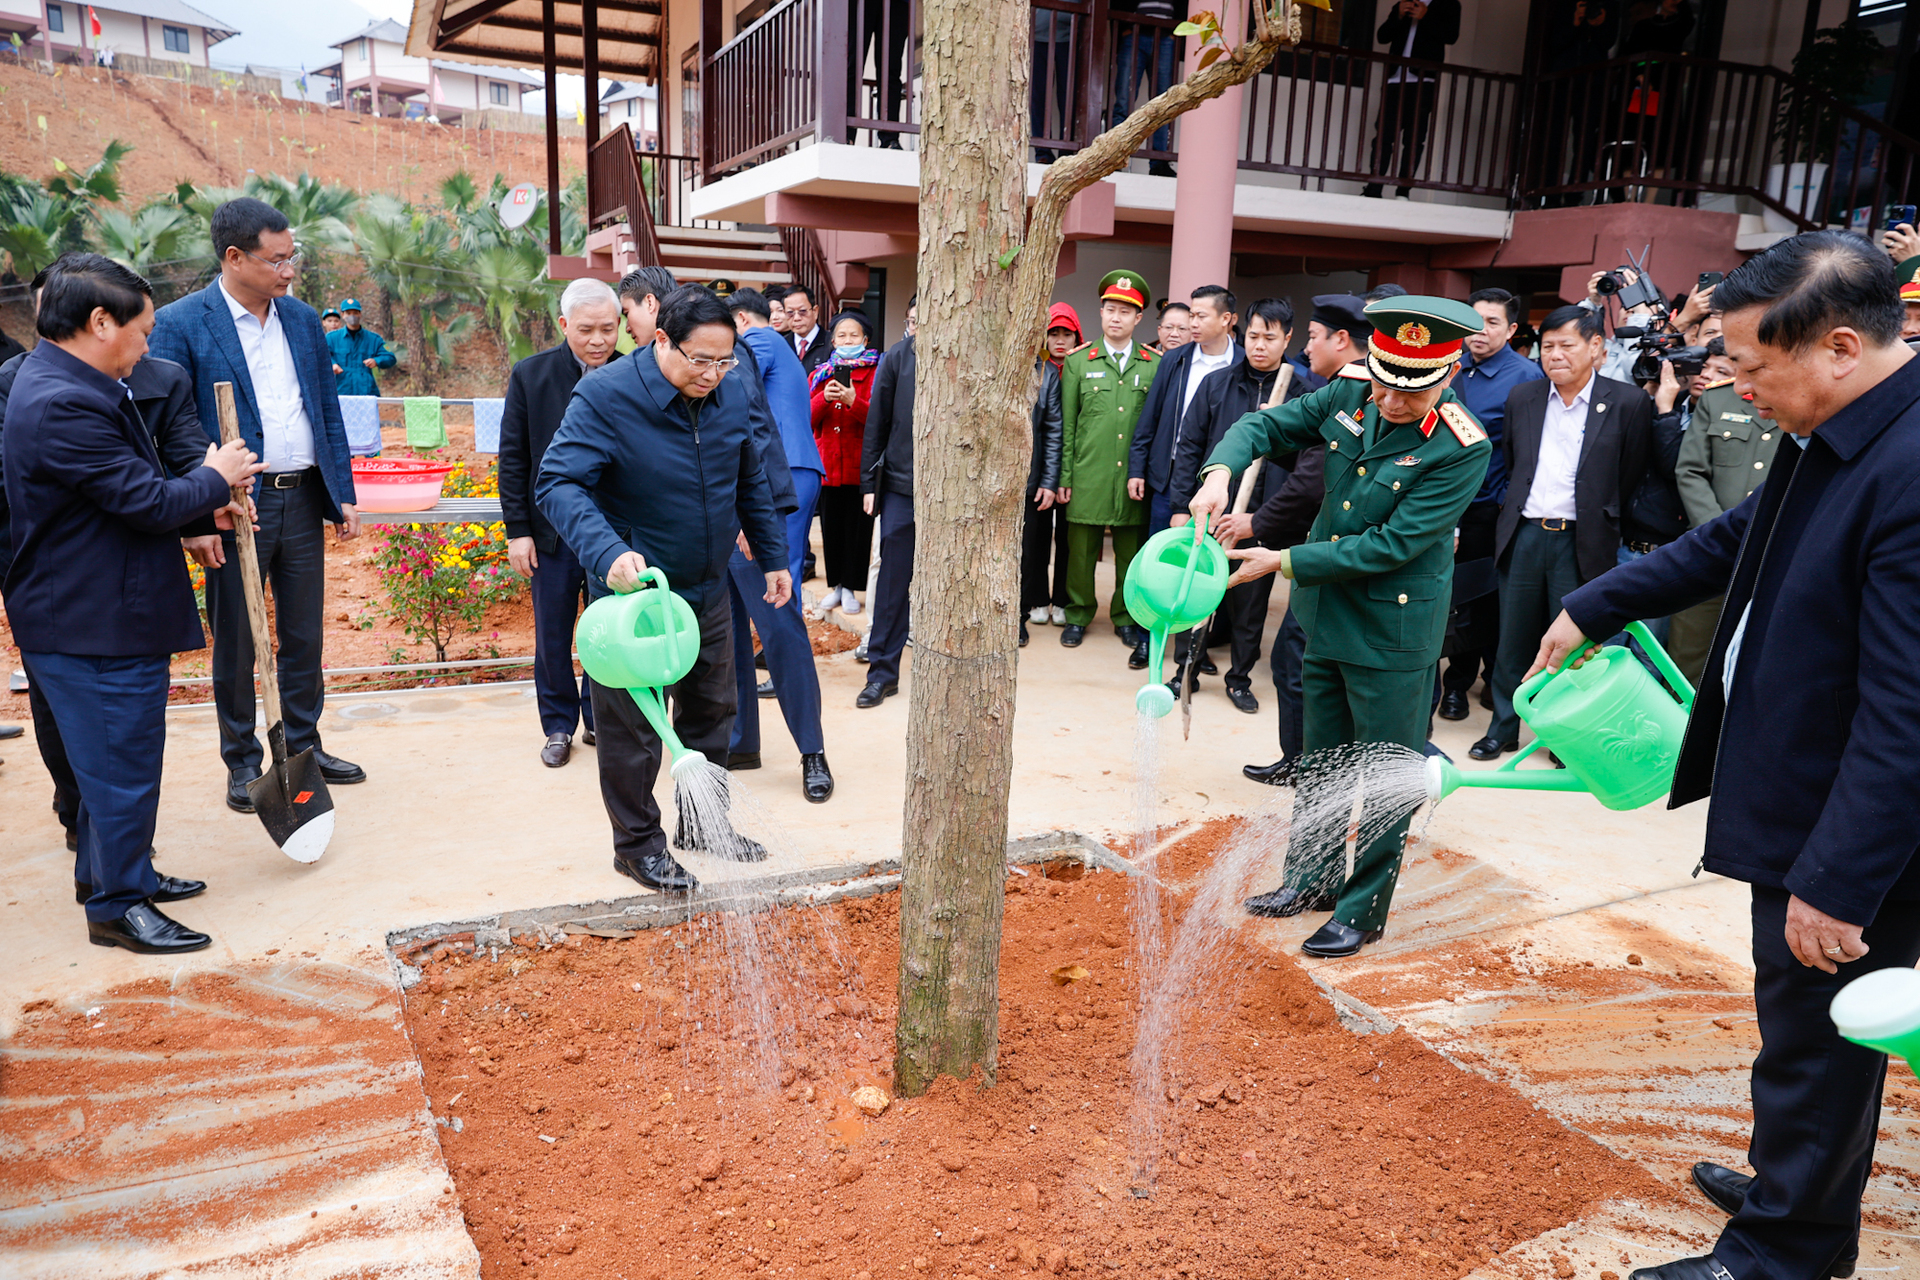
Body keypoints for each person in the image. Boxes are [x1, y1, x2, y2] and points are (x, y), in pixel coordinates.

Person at [1524, 231, 1920, 1280]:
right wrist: (1593, 603)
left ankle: (1783, 1253)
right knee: (1810, 1029)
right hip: (1801, 783)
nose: (1738, 391)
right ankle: (1803, 1187)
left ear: (1838, 345)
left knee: (1817, 1025)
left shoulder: (1912, 467)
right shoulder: (1832, 426)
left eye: (1751, 367)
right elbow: (1730, 539)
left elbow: (1907, 712)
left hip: (1850, 820)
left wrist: (1837, 879)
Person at [1190, 295, 1491, 958]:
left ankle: (1362, 909)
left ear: (1445, 379)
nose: (1388, 402)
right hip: (1324, 615)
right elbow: (1262, 430)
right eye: (1383, 382)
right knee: (1322, 761)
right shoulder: (1349, 392)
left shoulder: (1463, 446)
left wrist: (1285, 559)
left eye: (1409, 394)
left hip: (1393, 631)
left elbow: (1391, 545)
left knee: (1384, 772)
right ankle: (1311, 880)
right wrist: (1219, 474)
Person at [3, 253, 264, 953]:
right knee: (120, 767)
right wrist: (216, 477)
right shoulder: (65, 401)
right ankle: (119, 907)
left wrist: (202, 503)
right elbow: (145, 499)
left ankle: (115, 875)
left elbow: (118, 498)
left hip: (95, 606)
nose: (148, 346)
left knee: (109, 767)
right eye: (142, 331)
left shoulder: (70, 381)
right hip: (92, 619)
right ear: (98, 322)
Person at [535, 288, 790, 895]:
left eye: (724, 360)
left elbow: (748, 474)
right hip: (637, 599)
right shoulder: (607, 395)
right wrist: (607, 553)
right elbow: (558, 482)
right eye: (699, 360)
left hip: (707, 587)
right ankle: (638, 846)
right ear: (660, 341)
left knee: (713, 711)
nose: (712, 374)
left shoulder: (728, 389)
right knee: (634, 733)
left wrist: (774, 554)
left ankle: (705, 826)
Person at [148, 197, 366, 810]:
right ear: (234, 257)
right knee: (239, 638)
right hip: (234, 505)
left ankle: (304, 747)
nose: (288, 270)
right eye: (277, 259)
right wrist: (196, 517)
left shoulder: (298, 320)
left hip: (301, 499)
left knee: (303, 635)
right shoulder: (183, 322)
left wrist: (341, 491)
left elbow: (325, 409)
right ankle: (242, 761)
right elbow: (174, 427)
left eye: (291, 257)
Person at [1471, 304, 1651, 761]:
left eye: (1566, 345)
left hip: (1583, 540)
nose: (1554, 355)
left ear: (1596, 348)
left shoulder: (1629, 403)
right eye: (1546, 347)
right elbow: (1514, 464)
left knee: (1576, 645)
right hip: (1526, 534)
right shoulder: (1524, 398)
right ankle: (1503, 728)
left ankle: (1562, 738)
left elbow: (1628, 476)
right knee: (1512, 639)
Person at [1238, 293, 1373, 787]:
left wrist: (1256, 524)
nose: (1307, 348)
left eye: (1313, 337)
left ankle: (1312, 766)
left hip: (1339, 559)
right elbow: (1309, 459)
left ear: (1342, 340)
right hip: (1327, 554)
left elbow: (1315, 481)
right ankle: (1309, 763)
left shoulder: (1354, 394)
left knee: (1300, 661)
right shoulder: (1333, 389)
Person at [500, 278, 621, 769]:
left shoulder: (633, 374)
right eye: (586, 329)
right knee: (553, 633)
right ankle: (557, 725)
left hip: (613, 536)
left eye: (609, 329)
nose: (598, 340)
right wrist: (518, 531)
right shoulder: (532, 375)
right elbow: (513, 459)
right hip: (550, 534)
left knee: (607, 631)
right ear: (564, 324)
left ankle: (599, 717)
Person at [1168, 296, 1300, 714]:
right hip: (1211, 510)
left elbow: (1308, 466)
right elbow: (1189, 445)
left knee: (1250, 602)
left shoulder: (1303, 391)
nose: (1260, 346)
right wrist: (1181, 504)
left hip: (1263, 515)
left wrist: (1271, 518)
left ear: (1287, 339)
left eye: (1270, 338)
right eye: (1254, 336)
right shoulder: (1219, 383)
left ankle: (1239, 678)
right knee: (1196, 590)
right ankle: (1184, 670)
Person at [726, 287, 833, 801]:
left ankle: (812, 750)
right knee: (724, 628)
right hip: (718, 513)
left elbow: (752, 424)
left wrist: (756, 513)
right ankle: (740, 740)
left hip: (768, 491)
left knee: (777, 614)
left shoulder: (753, 344)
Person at [1439, 287, 1546, 721]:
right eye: (1474, 320)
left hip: (1487, 509)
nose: (1480, 331)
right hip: (1443, 504)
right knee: (1447, 596)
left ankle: (1459, 687)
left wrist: (1503, 502)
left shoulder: (1525, 377)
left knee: (1477, 600)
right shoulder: (1450, 366)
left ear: (1512, 328)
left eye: (1493, 322)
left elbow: (1527, 451)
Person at [1666, 339, 1778, 684]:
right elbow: (1691, 471)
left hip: (1772, 557)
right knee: (1687, 664)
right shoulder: (1718, 398)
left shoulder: (1799, 401)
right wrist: (1719, 535)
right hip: (1709, 554)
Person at [1058, 270, 1159, 651]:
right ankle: (1078, 614)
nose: (1115, 317)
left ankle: (1125, 617)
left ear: (1138, 319)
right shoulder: (1078, 362)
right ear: (1100, 314)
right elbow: (1068, 425)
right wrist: (1065, 475)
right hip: (1088, 473)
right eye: (1109, 309)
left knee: (1130, 554)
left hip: (1133, 478)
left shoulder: (1154, 364)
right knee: (1080, 552)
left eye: (1125, 311)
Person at [1129, 284, 1240, 539]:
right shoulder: (1174, 359)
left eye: (1201, 316)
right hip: (1169, 475)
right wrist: (1137, 469)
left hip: (1220, 477)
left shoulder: (1240, 364)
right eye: (1192, 315)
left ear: (1226, 319)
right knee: (1162, 552)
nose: (1194, 323)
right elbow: (1151, 417)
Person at [856, 303, 918, 708]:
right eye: (913, 318)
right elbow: (876, 422)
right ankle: (882, 672)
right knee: (894, 584)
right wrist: (868, 484)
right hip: (900, 486)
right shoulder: (898, 356)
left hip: (958, 495)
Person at [811, 309, 879, 618]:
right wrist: (824, 398)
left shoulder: (877, 373)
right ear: (833, 341)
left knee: (857, 529)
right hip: (828, 466)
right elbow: (808, 421)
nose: (847, 340)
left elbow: (879, 421)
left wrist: (854, 401)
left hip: (859, 465)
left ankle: (852, 587)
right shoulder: (819, 374)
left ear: (865, 340)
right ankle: (836, 585)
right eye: (841, 335)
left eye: (854, 335)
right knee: (831, 528)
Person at [1361, 0, 1461, 199]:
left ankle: (1403, 191)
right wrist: (1398, 15)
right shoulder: (1403, 4)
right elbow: (1382, 36)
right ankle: (1374, 189)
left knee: (1414, 138)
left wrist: (1426, 16)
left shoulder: (1449, 5)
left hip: (1423, 80)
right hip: (1395, 80)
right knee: (1383, 135)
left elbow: (1450, 36)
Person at [1024, 303, 1083, 630]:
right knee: (1036, 537)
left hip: (1077, 472)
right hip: (1042, 471)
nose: (1060, 341)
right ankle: (1037, 597)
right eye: (1053, 333)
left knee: (1070, 540)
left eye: (1067, 334)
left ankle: (1063, 599)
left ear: (1077, 336)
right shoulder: (1035, 370)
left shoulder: (1085, 367)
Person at [1021, 305, 1066, 647]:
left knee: (1026, 550)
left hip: (1030, 480)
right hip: (988, 481)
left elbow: (1053, 432)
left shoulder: (1047, 373)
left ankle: (1019, 615)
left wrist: (1049, 481)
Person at [1111, 0, 1178, 176]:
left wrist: (1175, 32)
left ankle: (1159, 162)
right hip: (1135, 33)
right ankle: (1114, 157)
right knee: (1124, 99)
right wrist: (1125, 29)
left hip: (1166, 35)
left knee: (1164, 103)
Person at [325, 298, 396, 396]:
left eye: (355, 313)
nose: (352, 316)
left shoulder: (373, 339)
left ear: (360, 314)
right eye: (348, 313)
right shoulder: (332, 338)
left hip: (366, 391)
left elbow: (390, 357)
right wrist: (332, 364)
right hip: (341, 391)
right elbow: (321, 355)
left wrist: (377, 360)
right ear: (343, 315)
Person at [786, 285, 829, 375]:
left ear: (815, 311)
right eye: (790, 312)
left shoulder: (832, 343)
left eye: (802, 311)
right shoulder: (782, 344)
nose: (796, 318)